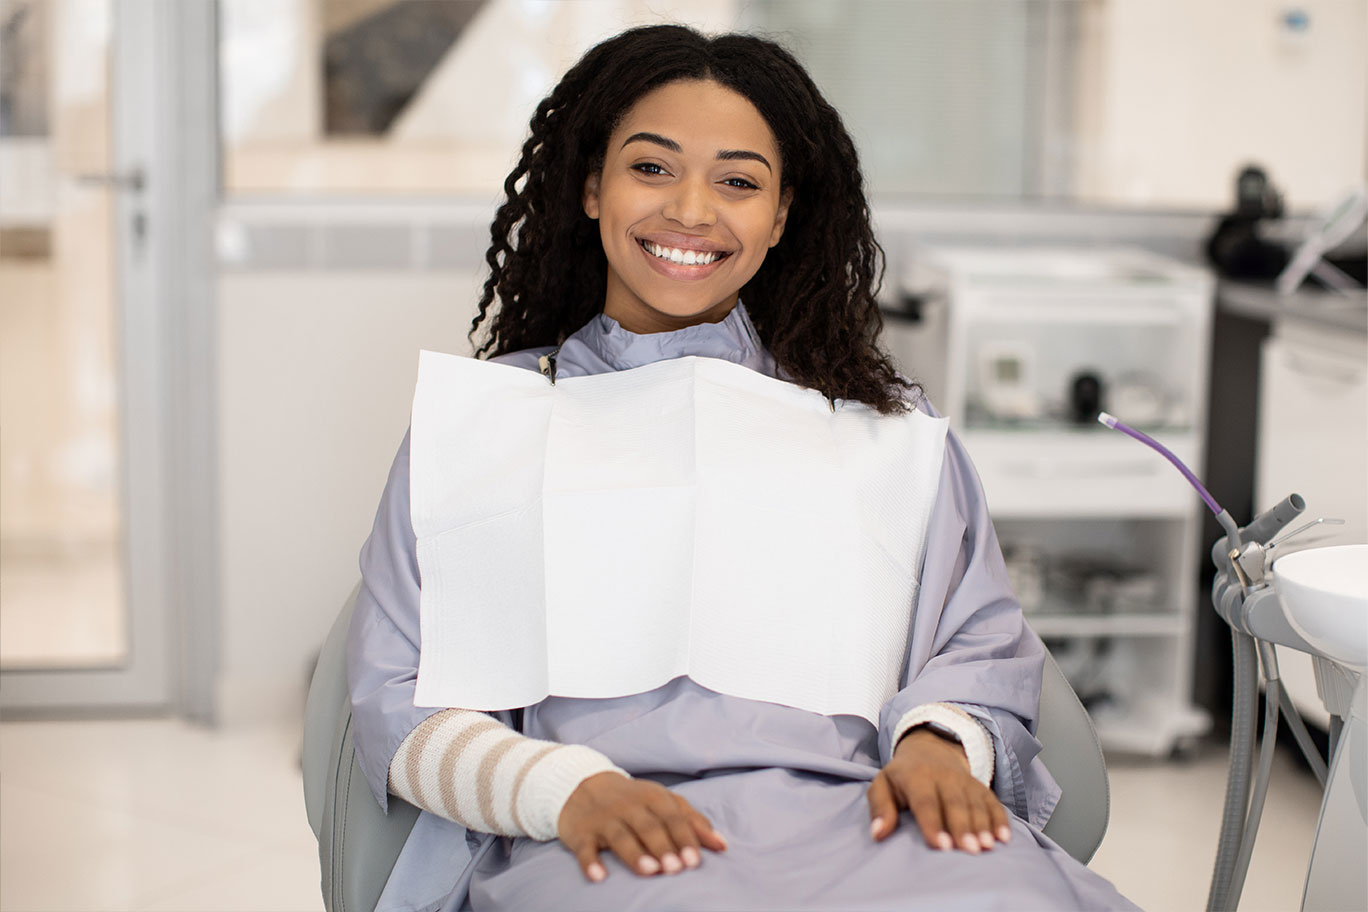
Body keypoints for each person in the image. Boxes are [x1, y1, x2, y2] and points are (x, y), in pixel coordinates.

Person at [348, 24, 1138, 911]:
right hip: (599, 836)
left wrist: (938, 743)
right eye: (651, 168)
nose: (691, 210)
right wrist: (562, 791)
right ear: (592, 187)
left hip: (869, 823)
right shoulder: (483, 425)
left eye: (737, 182)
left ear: (782, 214)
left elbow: (979, 639)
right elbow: (398, 692)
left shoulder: (882, 432)